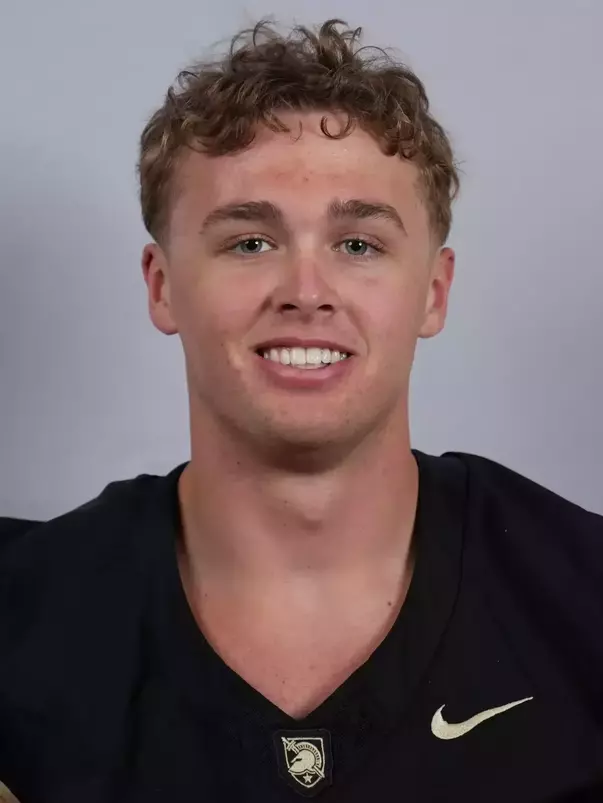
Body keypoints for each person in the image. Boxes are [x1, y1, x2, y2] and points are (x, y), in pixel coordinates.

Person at [0, 18, 601, 803]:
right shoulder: (22, 616)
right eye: (249, 242)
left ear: (433, 290)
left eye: (358, 244)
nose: (306, 290)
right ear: (161, 285)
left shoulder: (580, 594)